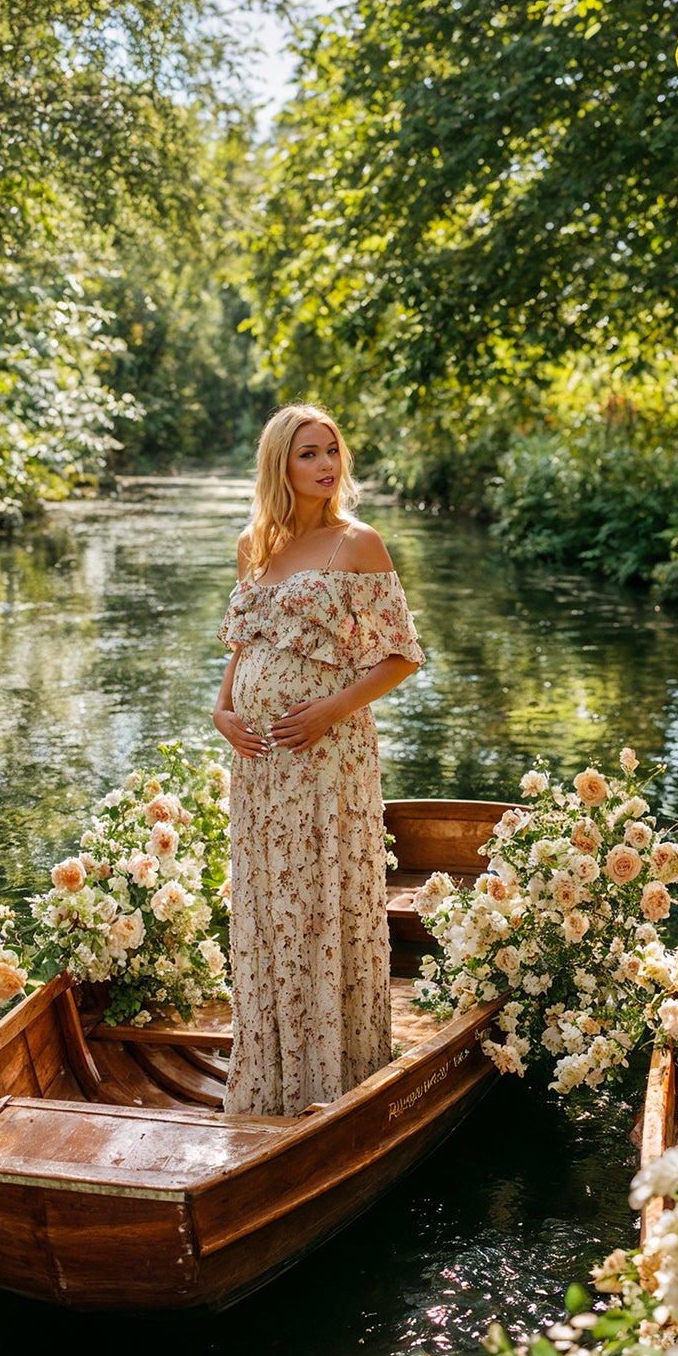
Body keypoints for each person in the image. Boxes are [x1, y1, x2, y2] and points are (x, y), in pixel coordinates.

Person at [212, 403, 424, 1115]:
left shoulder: (357, 544)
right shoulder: (255, 544)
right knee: (270, 900)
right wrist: (222, 709)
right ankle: (270, 1070)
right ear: (280, 463)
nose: (326, 465)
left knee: (321, 895)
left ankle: (332, 1072)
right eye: (308, 453)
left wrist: (333, 708)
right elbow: (245, 644)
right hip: (259, 761)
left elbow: (400, 655)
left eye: (331, 450)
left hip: (327, 756)